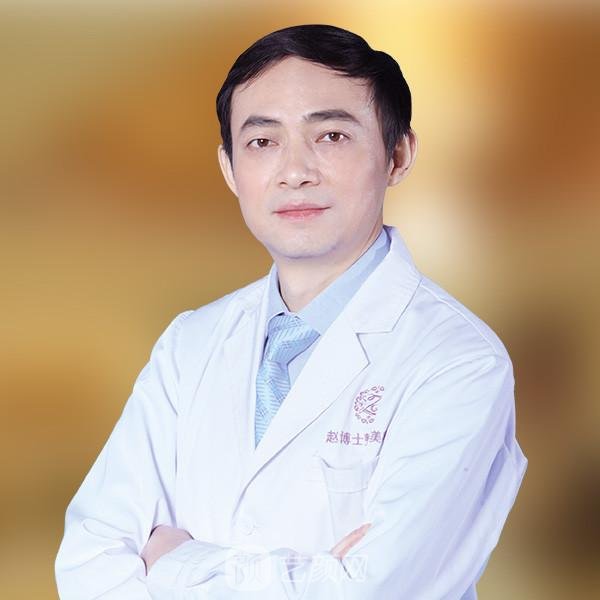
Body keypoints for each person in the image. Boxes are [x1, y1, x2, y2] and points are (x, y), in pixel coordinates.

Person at [55, 24, 527, 599]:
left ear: (398, 155)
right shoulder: (189, 344)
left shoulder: (458, 361)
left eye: (331, 135)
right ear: (230, 169)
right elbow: (88, 561)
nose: (295, 170)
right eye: (262, 142)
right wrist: (317, 576)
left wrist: (174, 564)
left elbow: (376, 592)